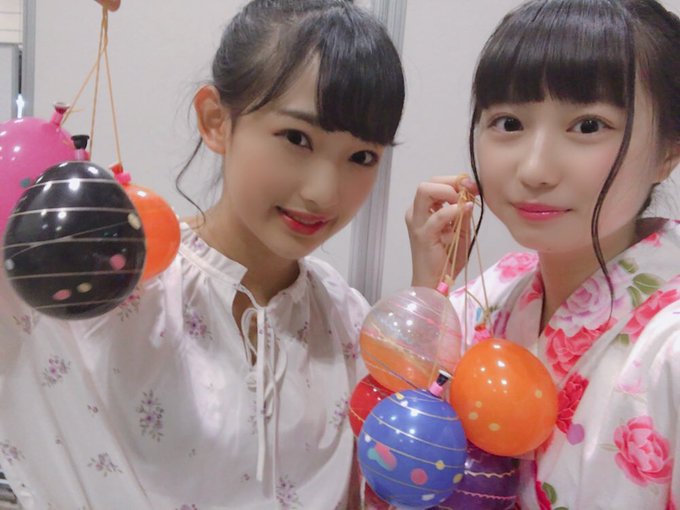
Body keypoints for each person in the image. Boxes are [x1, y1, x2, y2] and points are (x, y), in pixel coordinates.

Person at [0, 0, 409, 508]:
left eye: (362, 156)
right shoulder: (112, 282)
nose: (324, 193)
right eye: (297, 138)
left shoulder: (348, 323)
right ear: (216, 120)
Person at [408, 0, 680, 508]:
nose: (534, 170)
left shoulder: (671, 348)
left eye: (589, 125)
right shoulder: (490, 294)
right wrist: (429, 291)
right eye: (509, 123)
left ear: (669, 149)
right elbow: (403, 461)